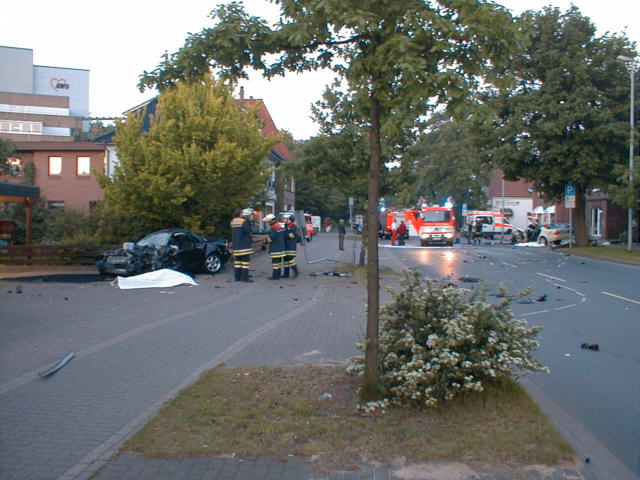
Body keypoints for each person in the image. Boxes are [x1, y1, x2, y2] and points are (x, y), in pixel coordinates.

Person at [230, 207, 254, 282]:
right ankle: (245, 278)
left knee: (237, 263)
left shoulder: (233, 221)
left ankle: (237, 277)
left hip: (236, 246)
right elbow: (248, 231)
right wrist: (249, 222)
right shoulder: (243, 221)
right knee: (245, 263)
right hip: (244, 246)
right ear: (240, 213)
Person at [263, 213, 286, 280]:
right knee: (278, 263)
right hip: (281, 248)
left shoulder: (273, 227)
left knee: (275, 264)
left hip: (275, 249)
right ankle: (278, 275)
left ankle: (275, 277)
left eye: (268, 221)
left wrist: (266, 241)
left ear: (271, 220)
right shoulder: (278, 225)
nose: (268, 223)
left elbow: (272, 238)